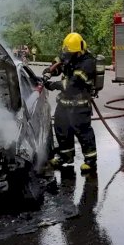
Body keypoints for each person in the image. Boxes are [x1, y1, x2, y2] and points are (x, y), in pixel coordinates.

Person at [42, 32, 99, 177]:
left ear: (78, 52)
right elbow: (59, 63)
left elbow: (72, 84)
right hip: (65, 103)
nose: (67, 55)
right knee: (61, 129)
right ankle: (65, 156)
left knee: (83, 132)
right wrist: (50, 70)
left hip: (80, 104)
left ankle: (91, 161)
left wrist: (52, 84)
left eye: (70, 53)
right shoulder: (70, 54)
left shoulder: (88, 63)